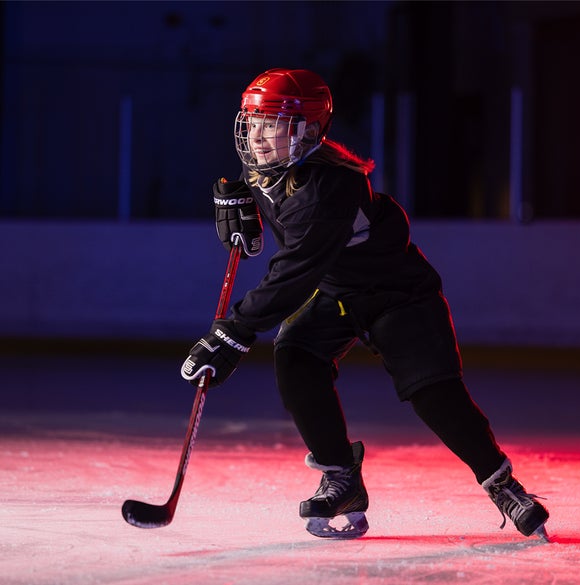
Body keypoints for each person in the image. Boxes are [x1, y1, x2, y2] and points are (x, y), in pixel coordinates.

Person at [181, 68, 549, 540]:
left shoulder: (329, 185)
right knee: (295, 357)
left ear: (309, 130)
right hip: (337, 295)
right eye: (252, 120)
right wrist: (238, 202)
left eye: (270, 123)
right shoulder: (269, 166)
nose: (256, 134)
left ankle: (503, 485)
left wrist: (233, 331)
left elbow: (293, 272)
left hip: (397, 294)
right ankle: (342, 479)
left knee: (433, 393)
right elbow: (261, 194)